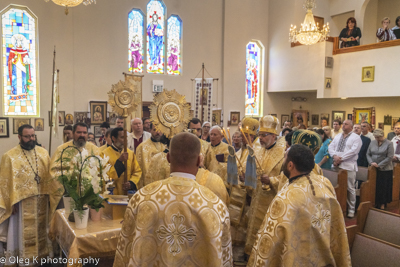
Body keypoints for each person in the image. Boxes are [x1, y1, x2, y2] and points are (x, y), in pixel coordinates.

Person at [113, 132, 233, 267]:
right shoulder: (215, 205)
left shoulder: (141, 198)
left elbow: (124, 252)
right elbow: (224, 256)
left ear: (168, 158)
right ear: (200, 160)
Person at [248, 145, 351, 267]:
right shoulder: (325, 184)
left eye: (285, 158)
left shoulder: (285, 198)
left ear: (290, 165)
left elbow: (270, 242)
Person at [0, 125, 63, 265]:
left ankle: (43, 259)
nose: (31, 139)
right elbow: (4, 183)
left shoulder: (43, 153)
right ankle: (23, 261)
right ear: (19, 137)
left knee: (43, 233)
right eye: (27, 136)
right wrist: (10, 202)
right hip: (21, 205)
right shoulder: (9, 156)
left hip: (42, 201)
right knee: (20, 236)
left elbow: (50, 176)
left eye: (33, 136)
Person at [244, 115, 286, 255]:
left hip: (272, 201)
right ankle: (251, 255)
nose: (260, 138)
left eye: (263, 135)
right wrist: (246, 177)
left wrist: (272, 180)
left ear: (273, 135)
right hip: (257, 197)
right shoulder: (258, 149)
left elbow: (287, 179)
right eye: (259, 135)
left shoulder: (284, 153)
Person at [328, 120, 362, 218]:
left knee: (350, 188)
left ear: (351, 127)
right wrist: (334, 156)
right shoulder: (338, 136)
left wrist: (340, 159)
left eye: (346, 124)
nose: (343, 126)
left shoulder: (356, 138)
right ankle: (337, 207)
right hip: (336, 165)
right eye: (343, 124)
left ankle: (351, 209)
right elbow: (331, 147)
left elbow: (353, 151)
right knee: (335, 186)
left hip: (348, 166)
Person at [101, 127, 141, 195]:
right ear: (114, 138)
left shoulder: (130, 153)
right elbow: (105, 176)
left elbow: (137, 171)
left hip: (127, 193)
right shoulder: (104, 154)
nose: (125, 140)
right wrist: (119, 161)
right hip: (113, 194)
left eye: (126, 137)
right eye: (122, 137)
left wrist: (131, 183)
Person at [367, 129, 394, 209]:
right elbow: (368, 154)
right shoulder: (372, 142)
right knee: (375, 186)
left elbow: (390, 157)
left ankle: (382, 204)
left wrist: (379, 165)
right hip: (373, 168)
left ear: (383, 136)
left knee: (383, 187)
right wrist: (371, 162)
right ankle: (375, 202)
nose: (377, 139)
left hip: (385, 169)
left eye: (379, 137)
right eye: (376, 137)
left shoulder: (389, 143)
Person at [135, 123, 166, 188]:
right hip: (147, 185)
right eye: (155, 130)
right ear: (150, 130)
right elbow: (138, 169)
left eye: (159, 130)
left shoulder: (166, 147)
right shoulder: (142, 147)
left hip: (163, 184)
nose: (157, 132)